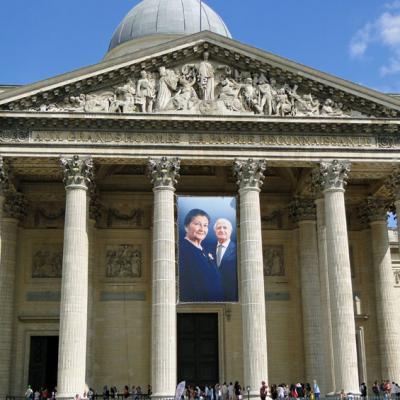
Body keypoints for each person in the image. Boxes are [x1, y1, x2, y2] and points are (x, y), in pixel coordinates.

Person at [179, 208, 223, 302]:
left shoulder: (206, 251)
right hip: (195, 306)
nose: (202, 229)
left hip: (215, 305)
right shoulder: (181, 249)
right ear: (186, 227)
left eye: (205, 225)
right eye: (197, 224)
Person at [213, 218, 238, 301]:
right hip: (210, 294)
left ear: (230, 231)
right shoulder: (207, 248)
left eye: (225, 227)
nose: (221, 230)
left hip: (231, 295)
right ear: (215, 231)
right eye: (219, 228)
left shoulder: (238, 249)